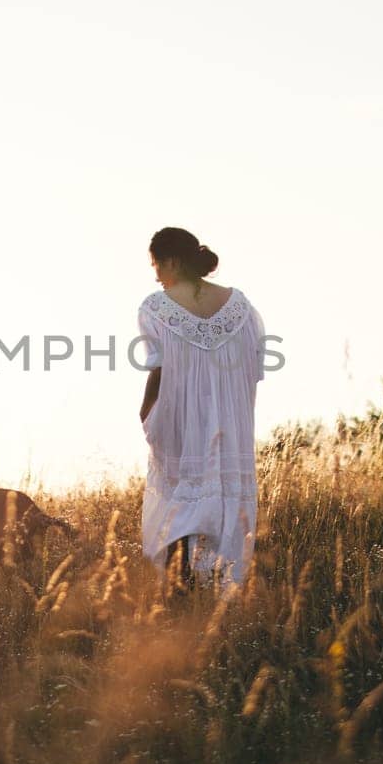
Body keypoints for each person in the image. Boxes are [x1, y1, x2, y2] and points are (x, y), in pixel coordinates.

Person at [137, 227, 266, 593]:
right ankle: (215, 595)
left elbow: (158, 369)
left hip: (180, 422)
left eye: (156, 265)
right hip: (230, 425)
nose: (156, 276)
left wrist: (146, 413)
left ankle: (183, 597)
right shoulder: (242, 307)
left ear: (172, 261)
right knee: (221, 502)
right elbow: (252, 371)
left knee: (179, 504)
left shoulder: (154, 307)